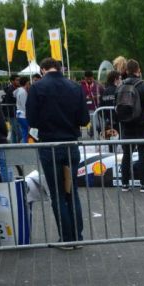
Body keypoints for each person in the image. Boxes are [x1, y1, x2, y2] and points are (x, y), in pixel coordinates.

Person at [25, 57, 89, 246]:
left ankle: (66, 238)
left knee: (58, 194)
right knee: (72, 192)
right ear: (59, 68)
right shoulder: (75, 87)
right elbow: (84, 118)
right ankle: (78, 236)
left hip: (50, 145)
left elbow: (32, 120)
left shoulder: (37, 88)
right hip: (70, 144)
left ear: (43, 69)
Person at [117, 59, 144, 193]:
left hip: (125, 125)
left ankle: (124, 184)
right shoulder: (143, 86)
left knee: (127, 154)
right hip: (141, 125)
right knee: (142, 154)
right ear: (138, 70)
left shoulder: (120, 86)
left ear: (127, 70)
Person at [98, 70, 121, 137]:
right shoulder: (118, 90)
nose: (121, 80)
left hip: (108, 122)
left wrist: (106, 119)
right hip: (118, 122)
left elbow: (100, 108)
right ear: (115, 79)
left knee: (110, 143)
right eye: (120, 78)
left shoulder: (104, 91)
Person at [14, 76, 30, 143]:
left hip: (19, 114)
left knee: (24, 131)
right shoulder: (23, 92)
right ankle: (25, 143)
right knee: (26, 131)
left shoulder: (18, 90)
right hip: (23, 115)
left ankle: (24, 143)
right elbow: (25, 105)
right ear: (26, 83)